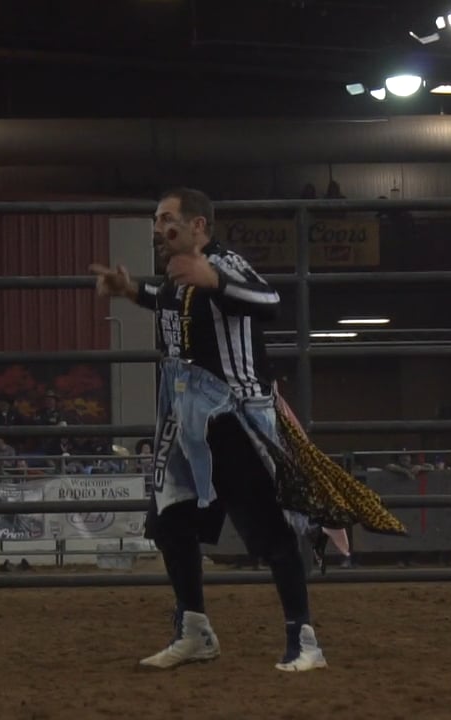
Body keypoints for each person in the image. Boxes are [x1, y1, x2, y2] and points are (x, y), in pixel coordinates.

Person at [90, 187, 326, 672]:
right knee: (170, 523)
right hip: (185, 420)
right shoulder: (178, 275)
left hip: (233, 416)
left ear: (199, 226)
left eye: (168, 219)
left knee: (270, 529)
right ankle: (194, 630)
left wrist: (215, 279)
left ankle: (304, 640)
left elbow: (269, 300)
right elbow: (172, 302)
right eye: (156, 219)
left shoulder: (224, 262)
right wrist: (133, 290)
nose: (158, 228)